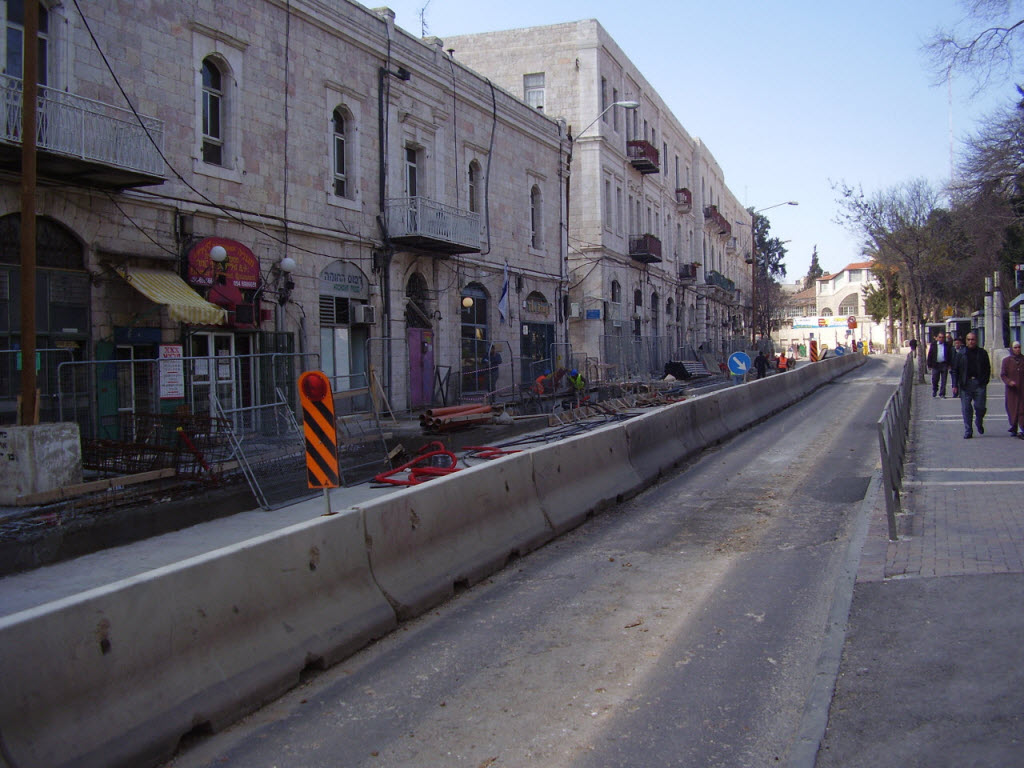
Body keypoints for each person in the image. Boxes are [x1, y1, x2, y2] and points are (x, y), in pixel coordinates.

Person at [951, 332, 991, 439]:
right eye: (968, 339)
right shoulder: (961, 354)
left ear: (976, 340)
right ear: (965, 341)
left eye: (972, 339)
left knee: (980, 407)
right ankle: (968, 430)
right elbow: (954, 370)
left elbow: (987, 369)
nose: (970, 342)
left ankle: (979, 421)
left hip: (979, 384)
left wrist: (984, 381)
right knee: (966, 408)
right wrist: (954, 385)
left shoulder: (982, 353)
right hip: (965, 384)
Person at [1000, 341, 1024, 438]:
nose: (1017, 349)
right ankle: (1014, 426)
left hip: (1022, 389)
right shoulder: (1006, 361)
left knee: (1022, 410)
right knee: (1012, 408)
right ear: (1011, 349)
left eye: (1019, 347)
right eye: (1015, 347)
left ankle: (1021, 429)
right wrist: (1009, 382)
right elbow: (1003, 374)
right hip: (1012, 391)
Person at [926, 330, 953, 398]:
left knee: (944, 380)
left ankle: (942, 393)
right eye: (940, 337)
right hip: (936, 365)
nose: (941, 339)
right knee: (935, 379)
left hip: (944, 364)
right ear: (937, 338)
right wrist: (929, 365)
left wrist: (949, 364)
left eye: (943, 337)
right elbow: (930, 355)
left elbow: (950, 355)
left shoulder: (947, 345)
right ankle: (935, 390)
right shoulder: (934, 345)